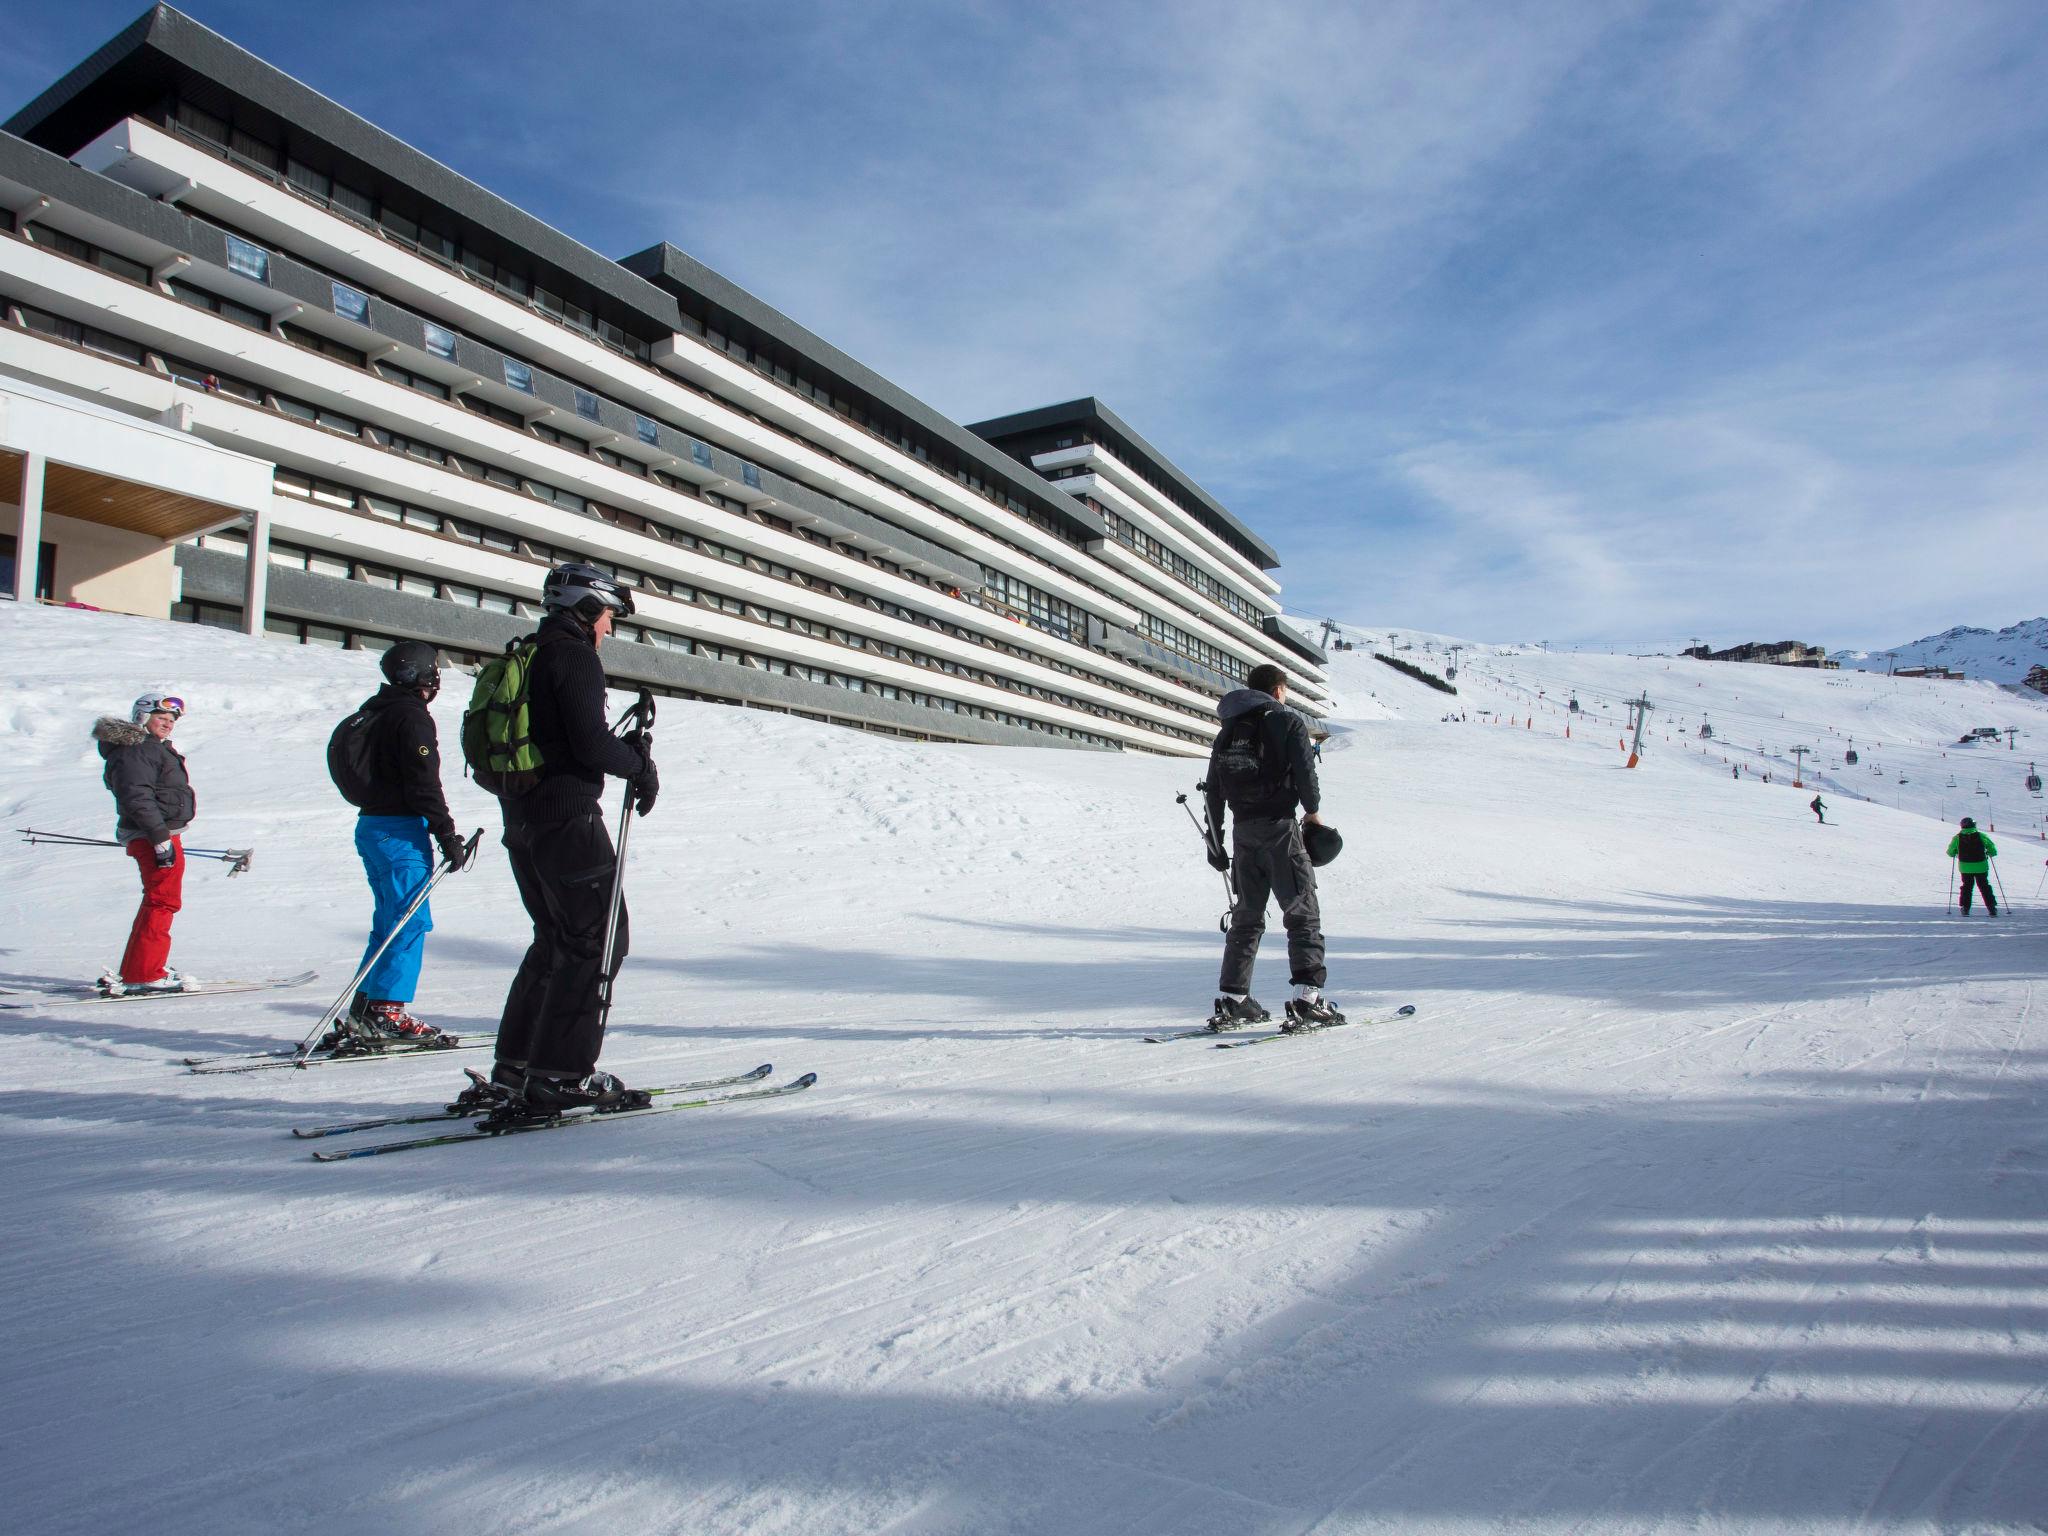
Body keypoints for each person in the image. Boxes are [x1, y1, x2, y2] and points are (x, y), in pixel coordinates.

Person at [487, 562, 659, 1117]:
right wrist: (638, 765)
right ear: (588, 610)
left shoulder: (531, 652)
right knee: (597, 940)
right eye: (609, 616)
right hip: (567, 820)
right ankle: (561, 1074)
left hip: (523, 819)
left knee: (554, 940)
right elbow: (588, 745)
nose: (609, 629)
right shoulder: (574, 657)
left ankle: (516, 1067)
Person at [341, 640, 469, 1042]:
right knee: (409, 922)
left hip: (372, 828)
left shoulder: (376, 711)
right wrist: (445, 832)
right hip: (400, 833)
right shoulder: (411, 717)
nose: (437, 677)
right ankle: (386, 1012)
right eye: (433, 669)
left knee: (389, 922)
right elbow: (423, 781)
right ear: (420, 675)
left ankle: (368, 1006)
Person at [1203, 663, 1336, 1032]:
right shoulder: (1288, 722)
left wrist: (1215, 842)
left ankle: (1234, 999)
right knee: (1301, 910)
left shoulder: (1227, 732)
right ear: (1279, 690)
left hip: (1243, 834)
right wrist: (1312, 813)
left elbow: (1213, 789)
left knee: (1246, 917)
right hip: (1280, 829)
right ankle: (1309, 998)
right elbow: (1306, 773)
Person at [92, 691, 197, 995]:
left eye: (171, 720)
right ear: (143, 718)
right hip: (155, 836)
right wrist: (160, 839)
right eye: (161, 718)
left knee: (157, 899)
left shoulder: (146, 748)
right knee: (163, 901)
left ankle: (140, 967)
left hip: (157, 834)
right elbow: (137, 796)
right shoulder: (139, 750)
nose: (167, 725)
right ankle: (146, 972)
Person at [1948, 816, 1999, 916]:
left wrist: (1955, 853)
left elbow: (1950, 852)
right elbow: (1993, 850)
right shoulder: (1981, 836)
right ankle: (1991, 908)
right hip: (1981, 866)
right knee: (1984, 886)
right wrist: (1989, 852)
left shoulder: (1957, 838)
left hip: (1965, 867)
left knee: (1967, 887)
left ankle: (1965, 908)